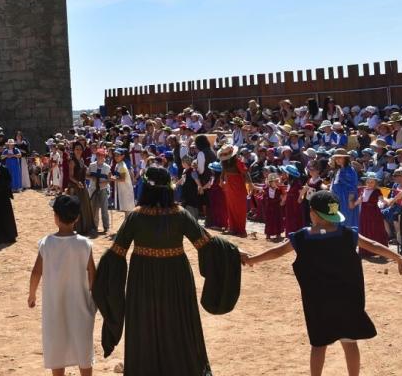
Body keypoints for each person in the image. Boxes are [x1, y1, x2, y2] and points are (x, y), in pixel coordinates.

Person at [92, 166, 244, 376]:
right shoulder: (179, 215)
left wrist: (96, 276)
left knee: (145, 326)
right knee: (177, 325)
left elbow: (115, 255)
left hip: (142, 282)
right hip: (176, 279)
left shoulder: (136, 217)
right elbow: (207, 244)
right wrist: (234, 253)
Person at [244, 190, 402, 376]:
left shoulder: (302, 237)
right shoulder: (347, 234)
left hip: (318, 302)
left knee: (319, 344)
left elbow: (277, 252)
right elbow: (374, 245)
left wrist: (252, 260)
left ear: (312, 213)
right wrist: (399, 258)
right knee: (349, 341)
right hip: (347, 299)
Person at [28, 195, 97, 376]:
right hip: (80, 307)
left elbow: (36, 272)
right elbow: (92, 274)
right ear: (77, 218)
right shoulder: (85, 244)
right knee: (83, 348)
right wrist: (94, 298)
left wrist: (32, 294)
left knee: (56, 347)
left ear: (55, 217)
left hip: (54, 308)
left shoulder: (47, 243)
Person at [357, 174, 389, 256]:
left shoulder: (377, 191)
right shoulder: (361, 190)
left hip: (374, 214)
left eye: (372, 182)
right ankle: (366, 251)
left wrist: (387, 200)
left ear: (375, 183)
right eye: (368, 182)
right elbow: (358, 201)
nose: (369, 183)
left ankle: (380, 251)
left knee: (376, 230)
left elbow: (382, 199)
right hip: (364, 214)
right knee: (365, 231)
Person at [330, 151, 360, 231]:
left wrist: (351, 201)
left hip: (345, 200)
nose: (337, 159)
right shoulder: (339, 170)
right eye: (336, 158)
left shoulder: (350, 170)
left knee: (347, 224)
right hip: (336, 200)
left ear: (345, 158)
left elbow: (352, 187)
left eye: (340, 157)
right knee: (336, 223)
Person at [85, 148, 111, 235]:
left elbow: (109, 179)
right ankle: (94, 226)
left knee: (104, 208)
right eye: (98, 155)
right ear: (96, 156)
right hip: (93, 188)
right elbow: (87, 176)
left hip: (103, 189)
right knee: (94, 208)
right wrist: (92, 178)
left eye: (102, 155)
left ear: (104, 156)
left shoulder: (107, 167)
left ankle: (106, 226)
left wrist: (104, 182)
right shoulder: (91, 165)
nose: (100, 157)